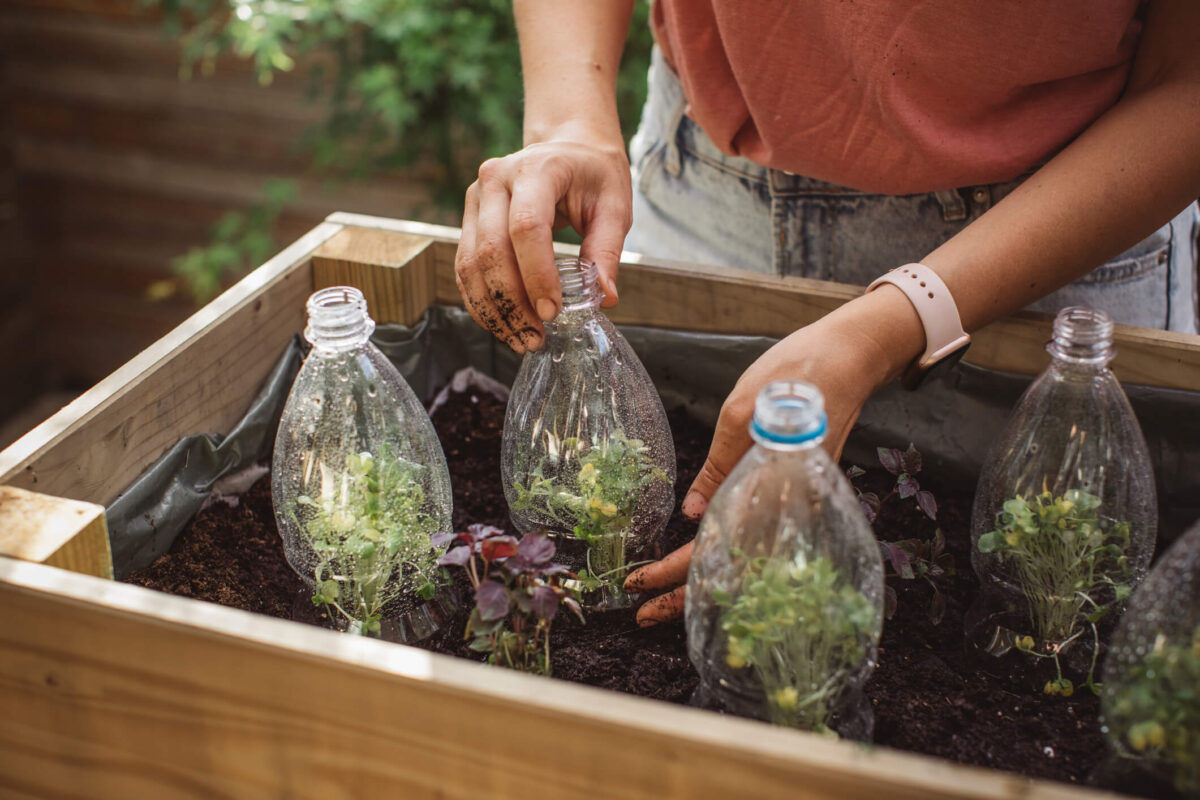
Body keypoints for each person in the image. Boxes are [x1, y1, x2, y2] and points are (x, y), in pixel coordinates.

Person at [453, 1, 1200, 626]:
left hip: (1053, 231)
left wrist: (895, 321)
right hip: (699, 185)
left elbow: (1185, 79)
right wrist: (569, 128)